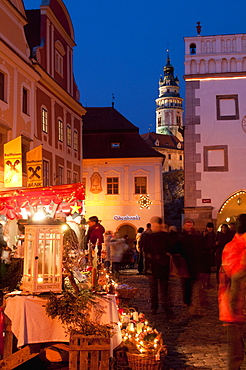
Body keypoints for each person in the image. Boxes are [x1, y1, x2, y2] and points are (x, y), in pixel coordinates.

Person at [218, 214, 246, 370]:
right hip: (236, 306)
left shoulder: (230, 247)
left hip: (231, 307)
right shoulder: (236, 246)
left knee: (235, 354)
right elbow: (235, 275)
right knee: (236, 353)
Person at [141, 216, 172, 315]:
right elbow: (145, 249)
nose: (154, 226)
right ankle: (155, 307)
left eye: (155, 224)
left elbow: (171, 247)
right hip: (154, 265)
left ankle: (165, 306)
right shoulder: (148, 236)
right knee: (154, 288)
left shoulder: (165, 236)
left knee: (164, 287)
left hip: (162, 265)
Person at [179, 219, 201, 309]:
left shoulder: (196, 235)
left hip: (193, 262)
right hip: (184, 262)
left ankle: (193, 300)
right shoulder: (181, 236)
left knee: (193, 282)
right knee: (185, 283)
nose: (188, 226)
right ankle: (187, 300)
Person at [200, 222, 216, 289]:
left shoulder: (214, 235)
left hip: (210, 254)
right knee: (204, 269)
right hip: (204, 254)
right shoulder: (204, 235)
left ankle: (208, 282)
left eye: (211, 227)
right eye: (208, 227)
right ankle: (204, 283)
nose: (210, 229)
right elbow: (201, 243)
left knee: (208, 269)